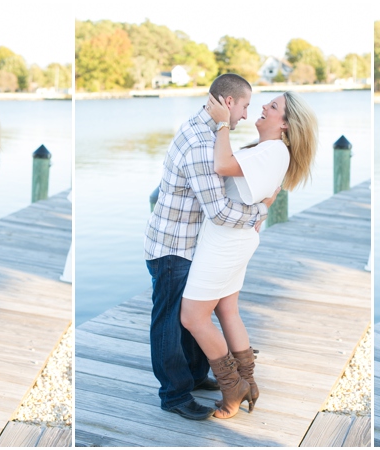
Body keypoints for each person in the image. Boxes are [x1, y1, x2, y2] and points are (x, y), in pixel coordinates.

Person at [143, 73, 279, 421]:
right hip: (173, 246)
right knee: (170, 322)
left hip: (188, 243)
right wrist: (261, 210)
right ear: (229, 102)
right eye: (245, 106)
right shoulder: (203, 144)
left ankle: (195, 375)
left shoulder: (205, 131)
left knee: (192, 316)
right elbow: (218, 211)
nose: (247, 116)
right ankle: (174, 394)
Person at [179, 91, 317, 419]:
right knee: (227, 310)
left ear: (285, 123)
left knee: (193, 317)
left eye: (272, 106)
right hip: (234, 238)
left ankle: (232, 387)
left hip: (225, 242)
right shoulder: (269, 150)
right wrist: (261, 209)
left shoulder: (272, 150)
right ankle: (249, 382)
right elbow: (267, 190)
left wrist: (223, 124)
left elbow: (223, 165)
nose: (263, 108)